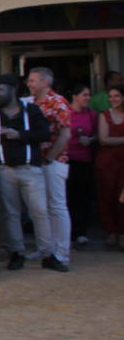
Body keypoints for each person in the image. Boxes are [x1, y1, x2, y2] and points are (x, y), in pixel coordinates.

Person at [0, 75, 52, 271]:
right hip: (4, 170)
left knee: (40, 211)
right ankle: (16, 252)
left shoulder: (31, 110)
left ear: (13, 89)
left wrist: (20, 135)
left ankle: (48, 253)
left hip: (30, 168)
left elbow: (45, 133)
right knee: (10, 213)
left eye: (0, 90)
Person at [25, 66, 72, 272]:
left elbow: (65, 134)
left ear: (45, 82)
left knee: (57, 207)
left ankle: (61, 252)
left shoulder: (58, 102)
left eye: (33, 80)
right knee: (40, 208)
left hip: (53, 162)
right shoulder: (32, 103)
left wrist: (50, 158)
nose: (29, 84)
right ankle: (46, 248)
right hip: (37, 162)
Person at [64, 84, 95, 248]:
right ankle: (67, 232)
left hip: (85, 160)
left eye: (88, 95)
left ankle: (80, 231)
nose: (88, 98)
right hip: (67, 159)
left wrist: (91, 140)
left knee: (83, 197)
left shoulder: (91, 114)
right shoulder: (66, 112)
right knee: (67, 196)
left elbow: (97, 133)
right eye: (84, 95)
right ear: (75, 96)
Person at [96, 84, 124, 249]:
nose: (113, 99)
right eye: (111, 96)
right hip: (107, 162)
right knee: (106, 196)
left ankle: (122, 232)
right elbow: (104, 139)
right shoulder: (104, 115)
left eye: (117, 96)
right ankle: (111, 231)